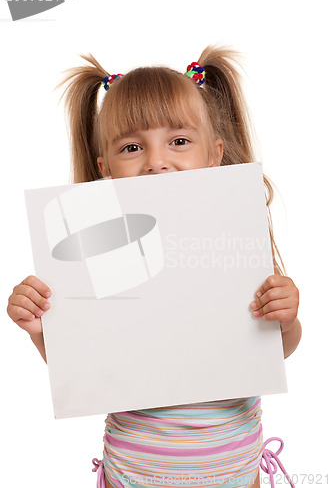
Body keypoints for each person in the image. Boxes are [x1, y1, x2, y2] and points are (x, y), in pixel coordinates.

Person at [7, 45, 302, 488]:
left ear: (214, 154)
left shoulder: (233, 244)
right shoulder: (102, 261)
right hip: (132, 476)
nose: (157, 161)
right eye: (132, 147)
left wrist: (287, 318)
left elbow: (276, 349)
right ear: (106, 169)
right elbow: (86, 366)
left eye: (179, 141)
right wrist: (41, 330)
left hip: (236, 475)